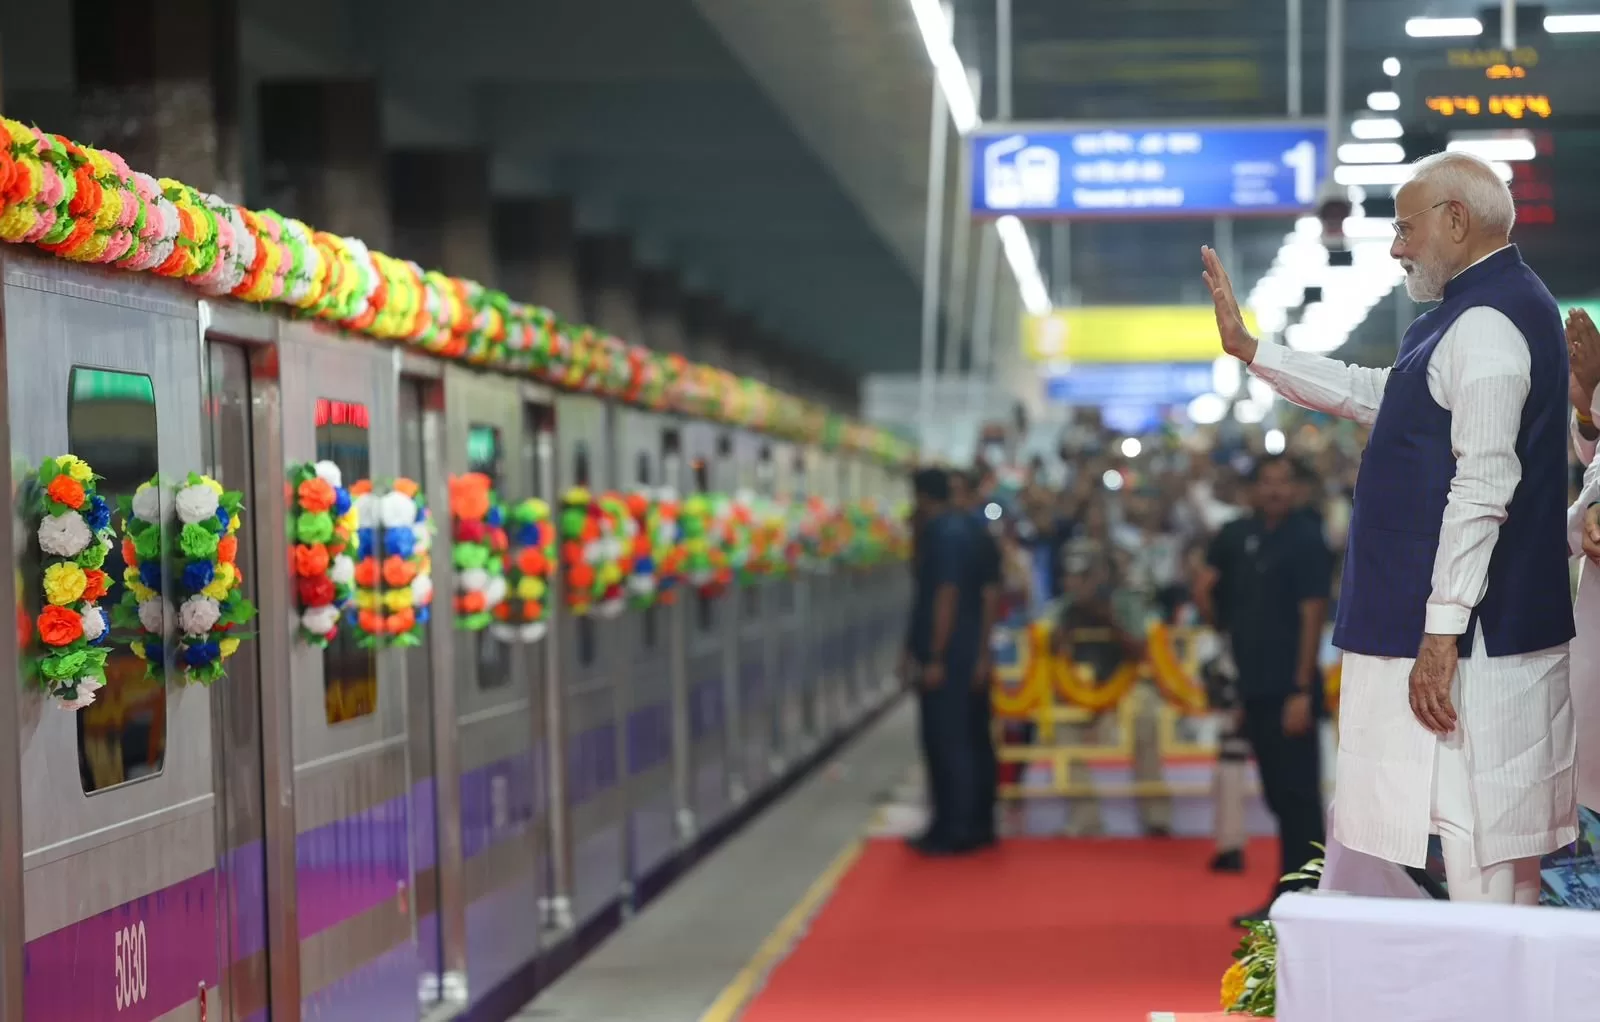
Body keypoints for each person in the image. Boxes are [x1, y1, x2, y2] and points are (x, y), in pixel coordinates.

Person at [1201, 149, 1577, 906]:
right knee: (1496, 857)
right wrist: (1253, 351)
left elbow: (1484, 486)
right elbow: (1379, 394)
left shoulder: (1486, 326)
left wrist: (1441, 633)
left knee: (1479, 850)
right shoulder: (1468, 317)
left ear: (1456, 220)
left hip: (1478, 645)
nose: (1397, 248)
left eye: (1406, 228)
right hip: (1486, 636)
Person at [1202, 455, 1332, 921]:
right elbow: (1209, 589)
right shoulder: (1238, 535)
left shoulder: (1306, 537)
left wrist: (1301, 688)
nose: (1275, 490)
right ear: (1252, 489)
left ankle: (1309, 896)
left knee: (1298, 796)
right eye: (1266, 481)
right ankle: (1289, 893)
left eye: (1283, 482)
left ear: (1297, 488)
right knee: (1277, 795)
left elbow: (1312, 613)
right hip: (1252, 683)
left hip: (1290, 686)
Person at [904, 467, 987, 855]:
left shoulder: (944, 534)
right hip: (964, 651)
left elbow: (945, 595)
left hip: (949, 656)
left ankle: (952, 828)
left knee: (945, 741)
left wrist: (935, 655)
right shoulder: (968, 529)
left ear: (922, 497)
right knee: (965, 738)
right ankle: (970, 824)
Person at [951, 469, 1003, 846]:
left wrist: (982, 653)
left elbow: (990, 596)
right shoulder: (957, 535)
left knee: (971, 738)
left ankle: (974, 822)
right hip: (964, 649)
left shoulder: (976, 539)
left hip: (970, 651)